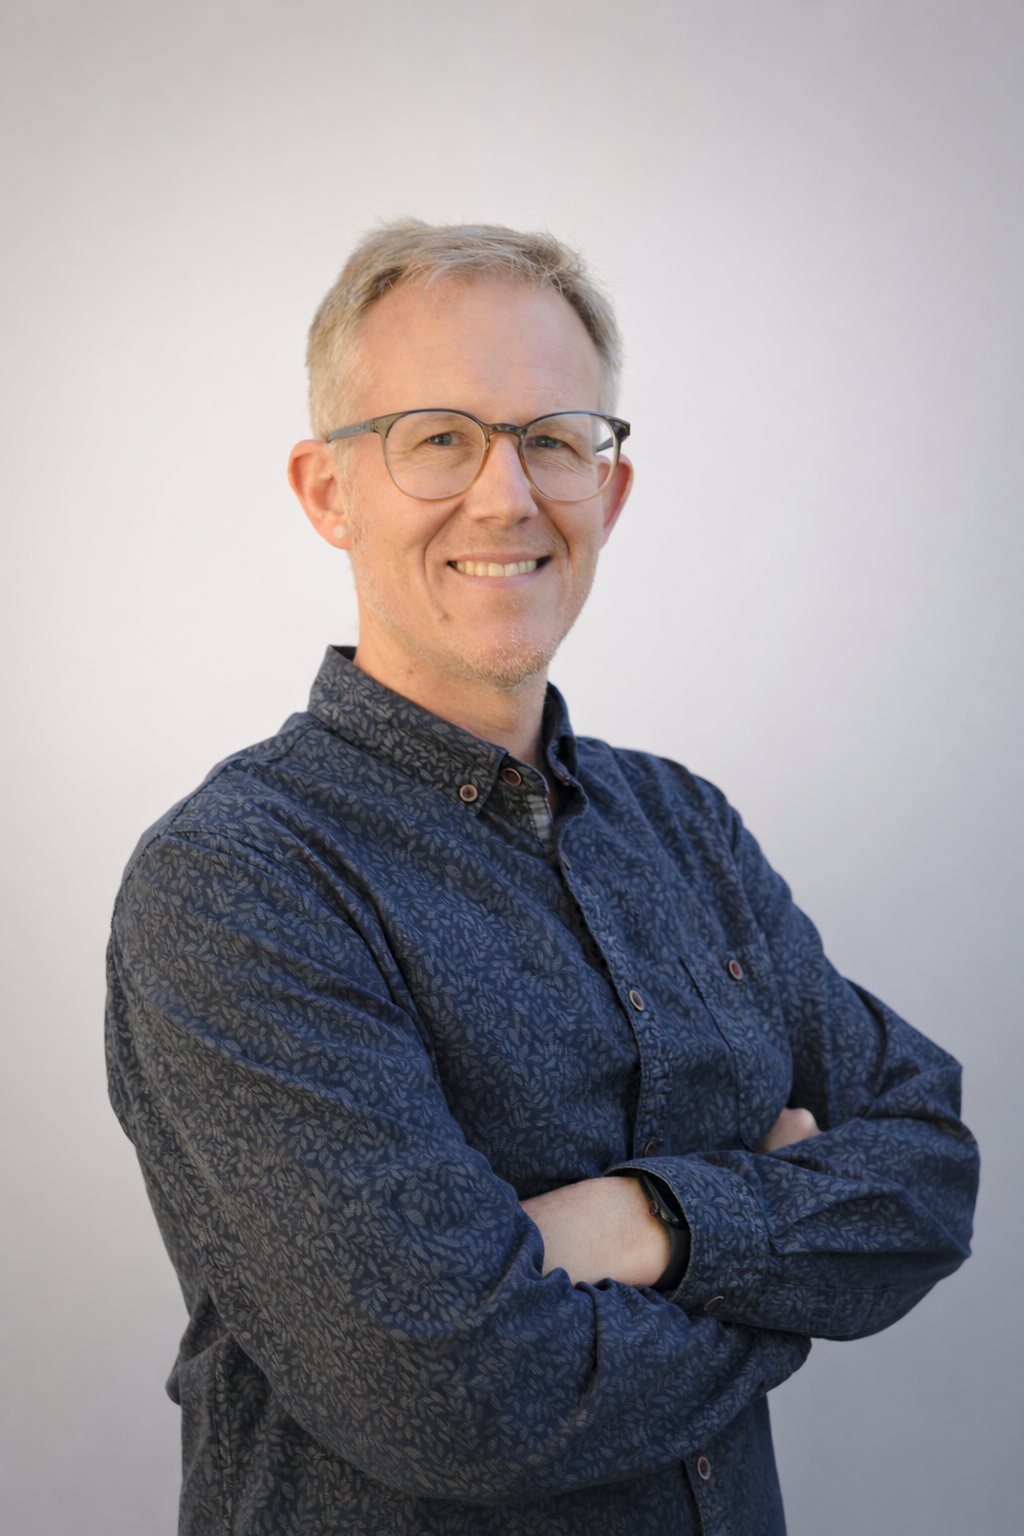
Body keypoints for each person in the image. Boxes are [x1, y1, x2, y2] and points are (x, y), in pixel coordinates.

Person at [105, 221, 979, 1536]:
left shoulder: (686, 826)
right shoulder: (237, 883)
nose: (508, 496)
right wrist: (789, 1274)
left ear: (609, 492)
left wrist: (644, 1225)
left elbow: (928, 1174)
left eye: (555, 440)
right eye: (440, 436)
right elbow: (455, 1397)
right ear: (327, 489)